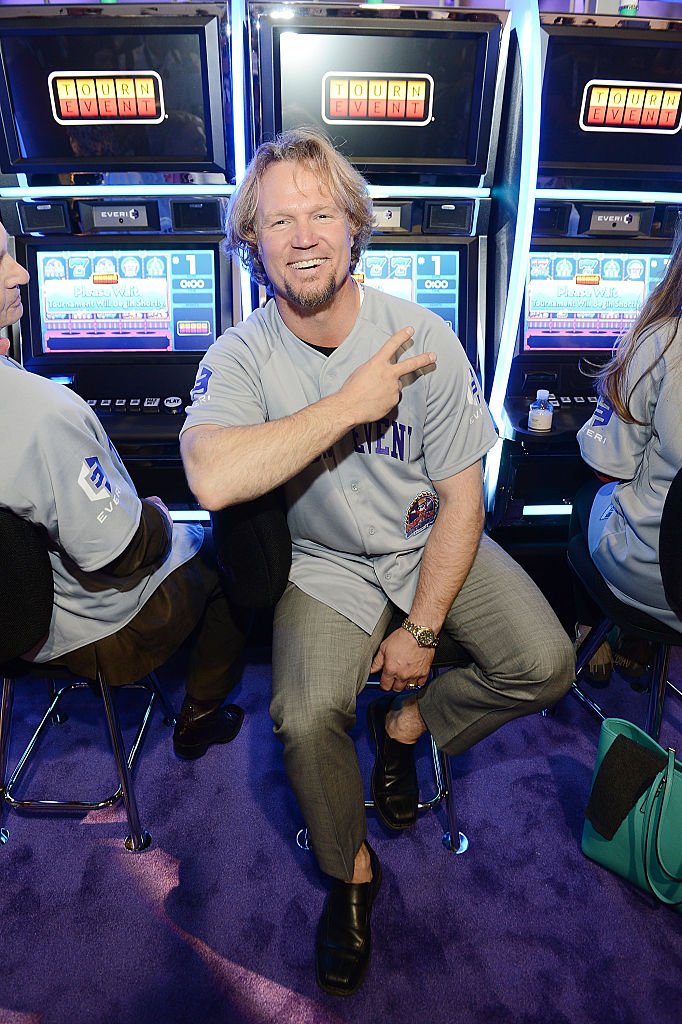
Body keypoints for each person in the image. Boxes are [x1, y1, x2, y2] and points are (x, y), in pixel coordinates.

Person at [180, 128, 574, 995]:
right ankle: (350, 874)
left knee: (544, 665)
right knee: (301, 710)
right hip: (326, 564)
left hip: (429, 536)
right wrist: (348, 406)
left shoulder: (423, 333)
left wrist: (424, 634)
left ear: (356, 227)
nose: (305, 236)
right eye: (279, 221)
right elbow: (211, 475)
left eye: (322, 212)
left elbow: (465, 499)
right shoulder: (240, 354)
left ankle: (405, 731)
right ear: (252, 244)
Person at [0, 222, 244, 760]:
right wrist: (155, 513)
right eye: (0, 259)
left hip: (12, 617)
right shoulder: (44, 412)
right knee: (238, 549)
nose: (21, 272)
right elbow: (120, 552)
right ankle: (199, 716)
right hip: (85, 628)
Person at [573, 223, 682, 673]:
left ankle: (585, 629)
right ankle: (640, 646)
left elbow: (608, 467)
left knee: (582, 496)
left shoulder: (664, 342)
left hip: (660, 576)